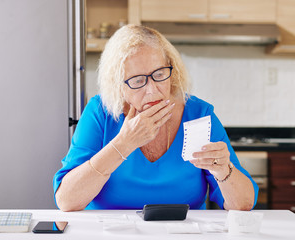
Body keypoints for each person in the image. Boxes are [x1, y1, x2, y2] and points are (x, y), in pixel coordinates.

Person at [53, 24, 258, 212]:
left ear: (172, 68)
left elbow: (243, 205)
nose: (152, 91)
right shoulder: (101, 112)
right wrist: (124, 144)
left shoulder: (198, 114)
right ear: (118, 85)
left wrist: (224, 170)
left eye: (159, 74)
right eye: (138, 80)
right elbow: (67, 201)